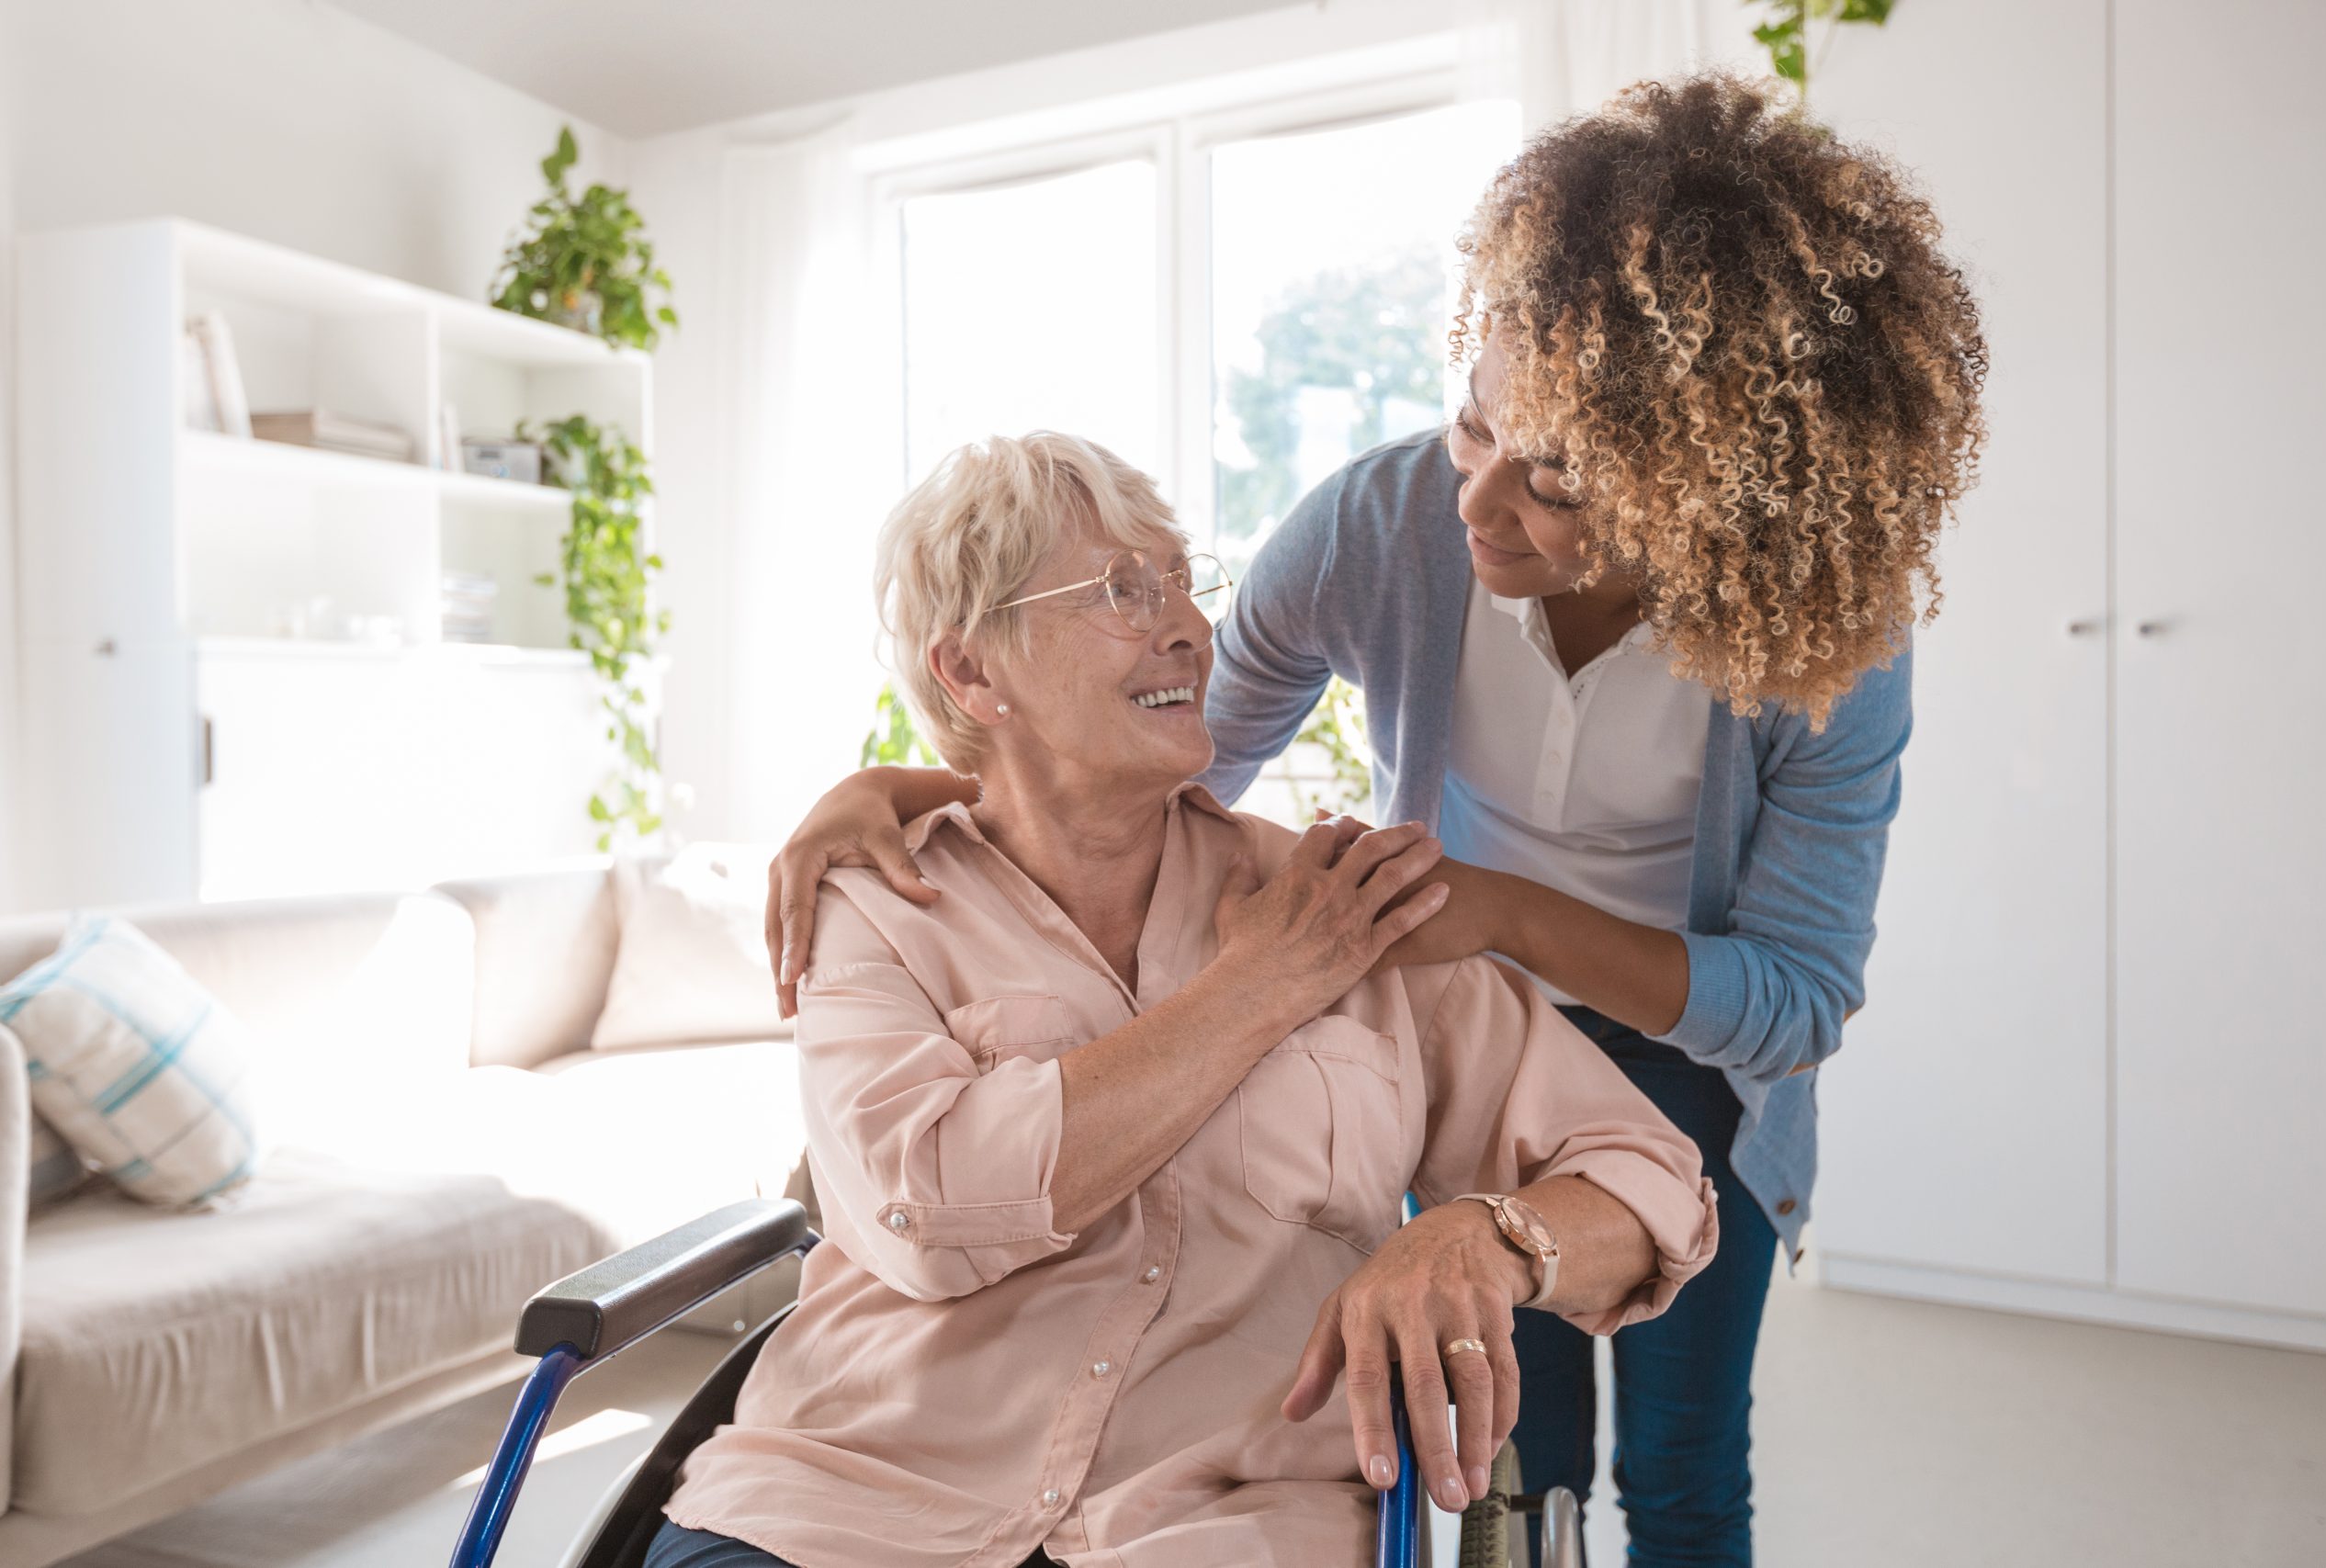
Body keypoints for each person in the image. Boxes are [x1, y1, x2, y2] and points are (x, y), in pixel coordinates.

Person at [764, 74, 1986, 1565]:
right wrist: (936, 783)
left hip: (1689, 1067)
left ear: (1712, 509)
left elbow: (1793, 1000)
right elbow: (1165, 764)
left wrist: (1499, 910)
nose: (1478, 506)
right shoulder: (1381, 522)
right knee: (1493, 1459)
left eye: (1559, 487)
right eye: (1474, 425)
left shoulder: (1822, 647)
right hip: (1448, 1035)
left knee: (1679, 1472)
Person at [653, 434, 1717, 1568]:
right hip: (850, 1505)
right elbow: (935, 1212)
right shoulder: (875, 903)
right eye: (1121, 589)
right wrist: (1255, 991)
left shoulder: (1345, 906)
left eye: (1181, 581)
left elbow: (1654, 1186)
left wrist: (1488, 1236)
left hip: (1220, 1528)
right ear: (969, 672)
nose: (1190, 627)